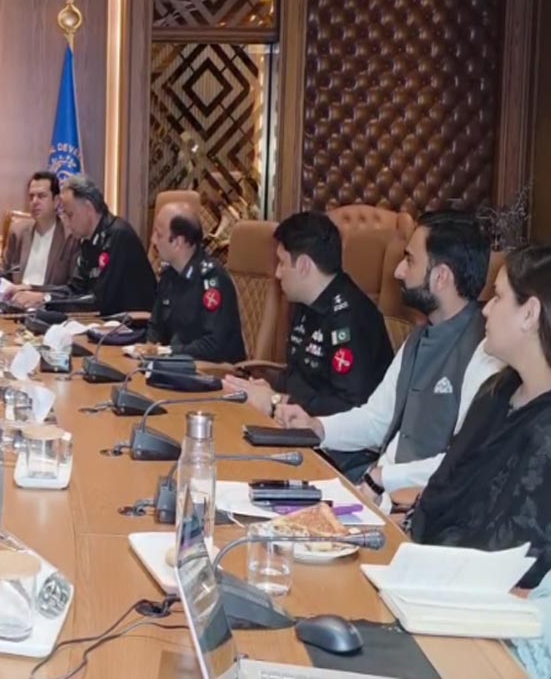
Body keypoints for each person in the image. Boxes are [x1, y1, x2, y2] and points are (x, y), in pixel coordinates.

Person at [276, 211, 502, 505]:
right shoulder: (418, 338)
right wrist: (317, 427)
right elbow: (377, 419)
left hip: (417, 508)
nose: (398, 271)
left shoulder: (486, 353)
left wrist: (383, 477)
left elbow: (461, 462)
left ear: (441, 277)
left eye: (410, 260)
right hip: (377, 492)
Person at [409, 245, 551, 589]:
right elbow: (443, 487)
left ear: (530, 314)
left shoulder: (546, 432)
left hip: (487, 599)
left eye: (498, 297)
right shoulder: (496, 391)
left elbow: (515, 559)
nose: (485, 309)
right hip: (430, 566)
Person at [224, 211, 393, 418]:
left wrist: (278, 401)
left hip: (331, 435)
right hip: (299, 421)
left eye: (282, 263)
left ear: (304, 266)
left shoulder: (350, 319)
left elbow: (351, 408)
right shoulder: (306, 302)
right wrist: (266, 387)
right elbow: (300, 376)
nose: (277, 273)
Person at [27, 174, 157, 316]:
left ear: (88, 208)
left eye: (70, 215)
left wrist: (47, 300)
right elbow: (75, 289)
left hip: (131, 324)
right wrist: (38, 294)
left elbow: (99, 302)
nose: (67, 222)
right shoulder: (87, 241)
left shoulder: (118, 236)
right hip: (103, 321)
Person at [143, 198, 245, 363]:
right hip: (176, 365)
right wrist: (148, 348)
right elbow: (155, 327)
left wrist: (167, 351)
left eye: (159, 234)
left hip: (211, 370)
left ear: (178, 242)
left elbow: (214, 346)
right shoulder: (169, 275)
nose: (153, 240)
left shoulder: (212, 278)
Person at [1, 171, 79, 299]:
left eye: (41, 196)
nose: (35, 202)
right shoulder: (18, 232)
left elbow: (72, 289)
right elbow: (4, 274)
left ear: (56, 201)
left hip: (47, 306)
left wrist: (39, 295)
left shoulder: (71, 237)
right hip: (15, 303)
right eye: (31, 196)